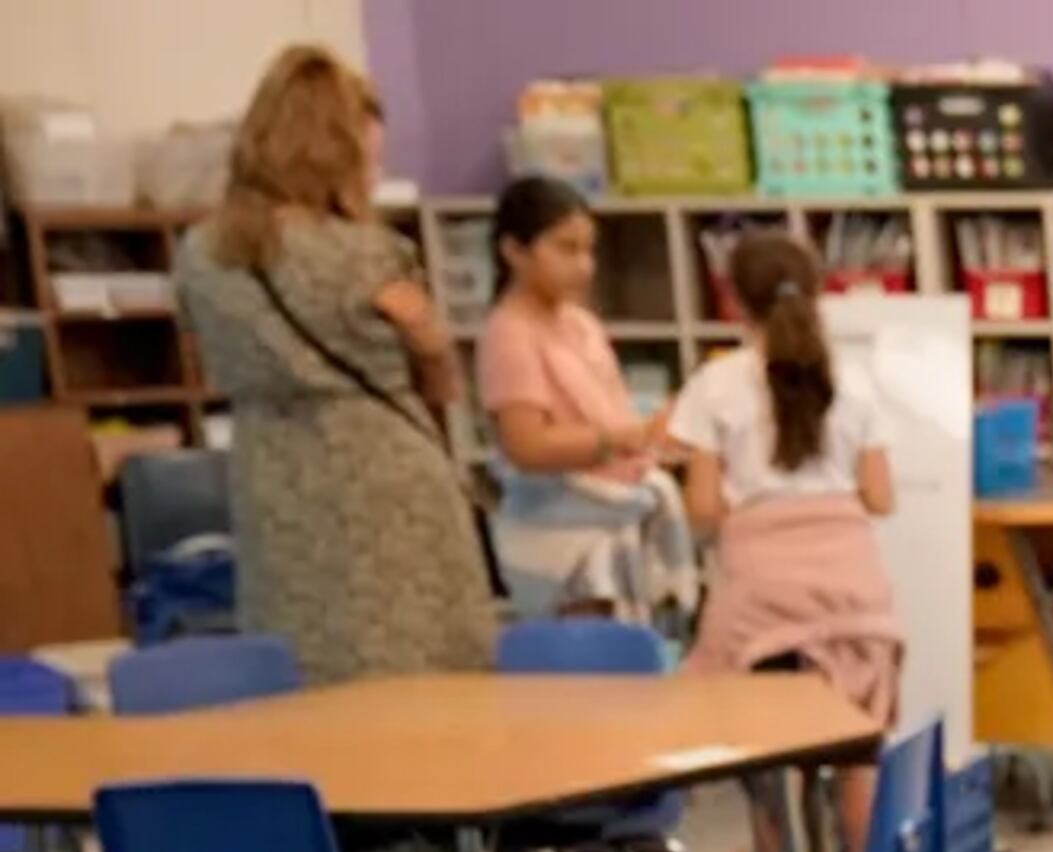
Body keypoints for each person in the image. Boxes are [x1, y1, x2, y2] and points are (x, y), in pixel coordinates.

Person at [170, 45, 493, 684]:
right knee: (416, 667)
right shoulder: (367, 255)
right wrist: (433, 343)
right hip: (384, 477)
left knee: (299, 675)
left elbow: (202, 348)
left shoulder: (201, 253)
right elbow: (438, 381)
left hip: (271, 476)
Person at [674, 230, 905, 845]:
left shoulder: (714, 386)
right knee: (859, 758)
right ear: (817, 294)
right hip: (852, 592)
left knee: (771, 767)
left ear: (732, 302)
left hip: (761, 602)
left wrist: (750, 501)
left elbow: (700, 508)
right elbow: (881, 497)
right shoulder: (853, 382)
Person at [476, 175, 697, 628]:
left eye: (588, 250)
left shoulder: (581, 324)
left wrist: (653, 441)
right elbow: (527, 446)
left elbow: (613, 412)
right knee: (588, 679)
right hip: (562, 531)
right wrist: (626, 438)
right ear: (515, 251)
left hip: (618, 505)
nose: (584, 265)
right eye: (565, 249)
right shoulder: (508, 333)